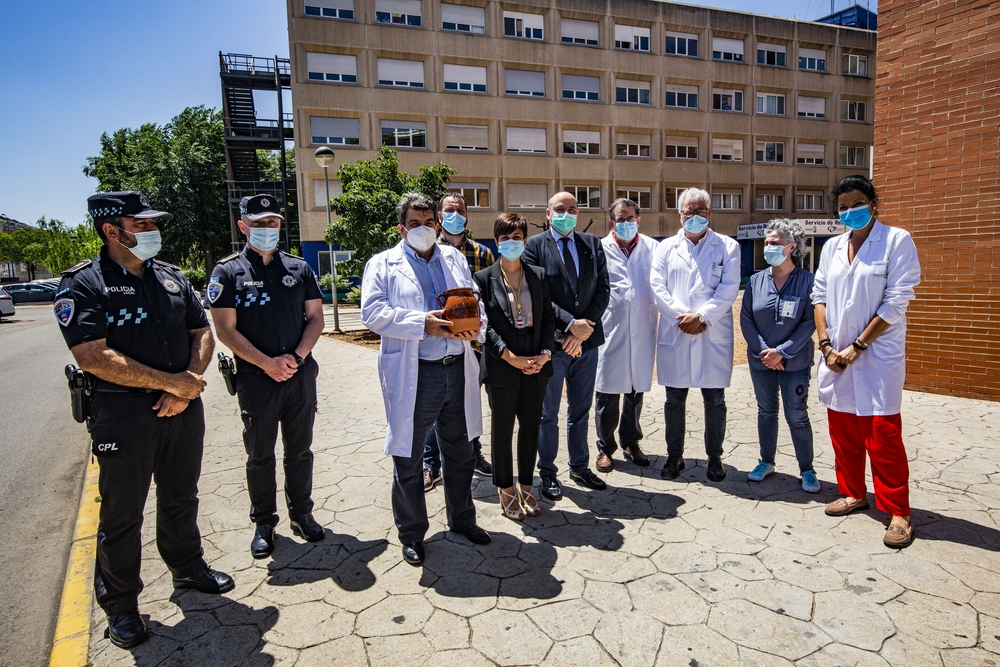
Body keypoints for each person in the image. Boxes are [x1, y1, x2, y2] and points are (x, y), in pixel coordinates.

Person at [54, 192, 233, 649]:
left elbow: (201, 332)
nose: (153, 232)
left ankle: (188, 567)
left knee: (180, 496)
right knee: (122, 514)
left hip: (182, 408)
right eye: (142, 224)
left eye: (154, 225)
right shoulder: (83, 284)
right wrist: (171, 384)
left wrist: (188, 381)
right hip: (123, 415)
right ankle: (121, 605)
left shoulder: (171, 277)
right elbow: (93, 355)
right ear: (111, 230)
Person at [361, 193, 492, 566]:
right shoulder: (383, 264)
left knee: (461, 451)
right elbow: (372, 312)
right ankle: (412, 533)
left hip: (456, 366)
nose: (423, 229)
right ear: (402, 228)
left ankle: (463, 520)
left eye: (428, 222)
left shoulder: (453, 258)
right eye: (414, 223)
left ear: (437, 224)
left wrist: (475, 328)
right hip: (416, 372)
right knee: (409, 455)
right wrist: (423, 323)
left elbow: (474, 300)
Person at [209, 194, 326, 559]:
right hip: (257, 380)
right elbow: (225, 330)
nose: (267, 229)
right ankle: (264, 522)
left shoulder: (298, 268)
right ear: (243, 226)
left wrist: (294, 357)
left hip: (298, 375)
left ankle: (301, 513)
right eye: (259, 224)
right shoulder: (227, 272)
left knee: (300, 449)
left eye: (273, 222)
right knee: (260, 454)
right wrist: (265, 363)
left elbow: (316, 319)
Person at [812, 175, 921, 548]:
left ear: (874, 202)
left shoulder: (896, 241)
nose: (850, 212)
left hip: (876, 358)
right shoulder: (831, 247)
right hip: (836, 357)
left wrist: (858, 346)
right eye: (842, 207)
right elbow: (820, 296)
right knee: (843, 433)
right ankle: (853, 493)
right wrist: (827, 347)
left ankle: (898, 512)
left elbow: (896, 302)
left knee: (883, 437)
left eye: (857, 203)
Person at [522, 191, 611, 500]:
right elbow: (536, 294)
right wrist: (569, 329)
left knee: (581, 410)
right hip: (552, 344)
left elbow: (603, 289)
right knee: (548, 412)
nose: (567, 214)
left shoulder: (591, 244)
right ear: (548, 214)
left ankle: (579, 466)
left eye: (572, 209)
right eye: (560, 209)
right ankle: (547, 473)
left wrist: (582, 331)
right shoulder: (533, 247)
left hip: (588, 343)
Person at [650, 187, 740, 482]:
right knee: (674, 400)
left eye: (701, 211)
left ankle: (715, 458)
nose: (695, 217)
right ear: (680, 215)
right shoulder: (664, 248)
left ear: (709, 213)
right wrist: (682, 318)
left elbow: (729, 288)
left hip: (710, 333)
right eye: (689, 212)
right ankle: (674, 457)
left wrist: (702, 317)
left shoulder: (727, 247)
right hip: (677, 333)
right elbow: (657, 288)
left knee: (714, 401)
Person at [473, 213, 555, 519]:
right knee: (503, 428)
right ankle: (505, 489)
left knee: (531, 428)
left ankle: (526, 485)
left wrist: (546, 354)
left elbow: (547, 319)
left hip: (536, 360)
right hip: (502, 363)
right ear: (496, 242)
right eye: (505, 238)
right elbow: (485, 326)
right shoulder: (482, 279)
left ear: (525, 240)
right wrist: (509, 357)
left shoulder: (539, 275)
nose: (511, 243)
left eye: (517, 237)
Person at [739, 220, 820, 493]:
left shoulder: (809, 282)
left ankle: (807, 469)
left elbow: (810, 323)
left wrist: (782, 352)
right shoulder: (756, 280)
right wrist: (765, 351)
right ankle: (766, 461)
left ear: (792, 247)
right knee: (766, 411)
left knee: (797, 415)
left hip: (794, 362)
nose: (768, 247)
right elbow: (747, 318)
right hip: (761, 360)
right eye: (767, 242)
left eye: (774, 243)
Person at [423, 193, 494, 491]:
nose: (455, 215)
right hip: (435, 346)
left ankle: (473, 452)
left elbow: (492, 299)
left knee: (468, 404)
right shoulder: (427, 251)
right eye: (449, 210)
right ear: (439, 216)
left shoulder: (483, 253)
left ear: (467, 215)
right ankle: (431, 463)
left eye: (460, 210)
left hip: (473, 346)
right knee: (433, 407)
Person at [594, 198, 658, 473]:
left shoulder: (653, 248)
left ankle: (631, 443)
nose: (626, 223)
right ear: (612, 222)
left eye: (631, 218)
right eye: (621, 219)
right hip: (611, 331)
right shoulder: (599, 248)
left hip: (642, 331)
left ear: (639, 220)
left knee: (635, 393)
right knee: (607, 394)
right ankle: (605, 448)